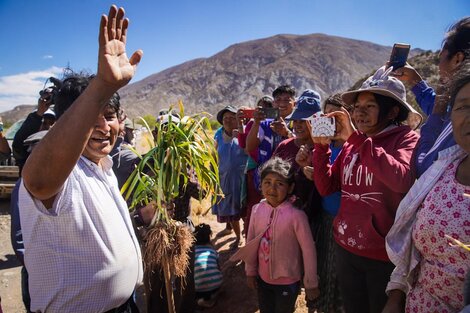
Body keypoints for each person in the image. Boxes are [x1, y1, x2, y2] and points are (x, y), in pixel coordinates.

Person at [18, 6, 143, 312]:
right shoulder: (65, 172)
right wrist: (101, 85)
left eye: (110, 116)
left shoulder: (104, 167)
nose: (103, 126)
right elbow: (39, 181)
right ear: (67, 122)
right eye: (92, 119)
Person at [304, 66, 420, 313]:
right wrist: (321, 148)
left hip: (382, 256)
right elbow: (327, 187)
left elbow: (401, 179)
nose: (359, 113)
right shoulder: (352, 144)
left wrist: (356, 139)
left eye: (369, 106)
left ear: (393, 111)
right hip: (346, 248)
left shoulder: (405, 139)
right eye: (356, 107)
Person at [383, 58, 470, 313]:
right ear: (451, 116)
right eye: (464, 106)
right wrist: (397, 293)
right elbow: (413, 242)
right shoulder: (443, 169)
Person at [390, 17, 470, 177]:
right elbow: (445, 114)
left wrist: (439, 105)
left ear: (457, 59)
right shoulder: (460, 106)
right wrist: (415, 82)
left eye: (440, 58)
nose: (439, 67)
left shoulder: (463, 117)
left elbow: (425, 165)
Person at [297, 93, 352, 313]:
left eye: (335, 115)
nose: (330, 119)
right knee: (321, 268)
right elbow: (318, 186)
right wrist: (305, 170)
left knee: (341, 276)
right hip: (324, 219)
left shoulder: (354, 146)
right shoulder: (318, 144)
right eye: (326, 114)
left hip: (346, 223)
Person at [243, 157, 319, 313]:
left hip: (288, 281)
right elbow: (250, 242)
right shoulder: (257, 210)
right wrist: (250, 271)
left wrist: (311, 283)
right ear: (261, 184)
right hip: (263, 279)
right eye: (267, 182)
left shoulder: (296, 216)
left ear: (290, 188)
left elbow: (308, 249)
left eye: (279, 184)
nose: (272, 188)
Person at [272, 89, 322, 220]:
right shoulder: (284, 146)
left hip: (316, 216)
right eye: (296, 121)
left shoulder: (324, 149)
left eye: (304, 121)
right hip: (285, 214)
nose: (298, 126)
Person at [245, 85, 296, 191]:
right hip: (266, 181)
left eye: (287, 100)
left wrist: (287, 133)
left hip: (290, 181)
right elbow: (250, 148)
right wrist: (256, 123)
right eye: (278, 100)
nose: (282, 104)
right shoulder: (265, 124)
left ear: (294, 104)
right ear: (273, 104)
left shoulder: (298, 124)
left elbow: (304, 146)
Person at [237, 95, 273, 236]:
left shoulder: (277, 123)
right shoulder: (253, 124)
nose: (263, 111)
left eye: (267, 108)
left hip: (273, 169)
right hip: (255, 170)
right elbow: (244, 146)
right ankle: (250, 237)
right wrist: (240, 124)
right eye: (260, 108)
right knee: (253, 205)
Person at [212, 105, 248, 249]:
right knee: (229, 208)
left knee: (242, 208)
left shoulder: (243, 133)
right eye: (225, 118)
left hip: (240, 179)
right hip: (224, 179)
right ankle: (237, 236)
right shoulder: (218, 135)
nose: (228, 120)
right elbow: (214, 156)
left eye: (232, 118)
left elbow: (248, 150)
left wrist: (239, 135)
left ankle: (246, 235)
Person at [12, 90, 56, 173]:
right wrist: (39, 113)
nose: (48, 126)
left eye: (52, 123)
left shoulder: (60, 145)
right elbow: (18, 145)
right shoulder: (26, 148)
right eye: (44, 123)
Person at [193, 223, 223, 308]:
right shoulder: (212, 250)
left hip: (198, 289)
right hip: (216, 284)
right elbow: (218, 267)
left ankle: (202, 299)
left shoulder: (192, 252)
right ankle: (210, 297)